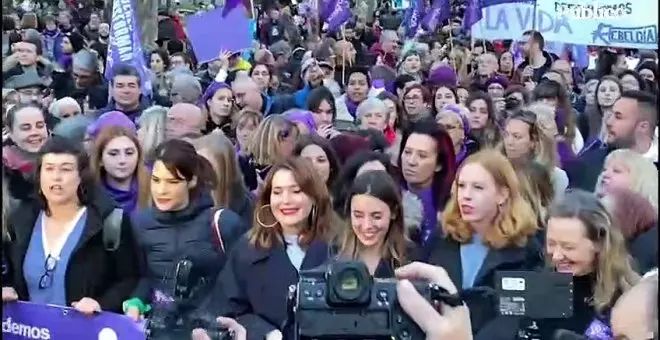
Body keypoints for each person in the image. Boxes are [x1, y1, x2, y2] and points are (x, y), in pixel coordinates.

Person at [2, 136, 140, 313]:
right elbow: (9, 271)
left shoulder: (109, 220)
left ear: (81, 176)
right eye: (49, 169)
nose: (56, 177)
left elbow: (130, 279)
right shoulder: (21, 218)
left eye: (66, 169)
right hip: (31, 330)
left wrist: (102, 304)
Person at [426, 149, 542, 338]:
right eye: (461, 186)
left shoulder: (526, 248)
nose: (466, 195)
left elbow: (516, 317)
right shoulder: (443, 235)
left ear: (502, 195)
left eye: (478, 188)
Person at [213, 158, 334, 340]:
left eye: (296, 191)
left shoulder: (339, 247)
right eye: (277, 192)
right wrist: (265, 333)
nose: (286, 200)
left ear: (314, 197)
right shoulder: (247, 250)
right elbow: (228, 311)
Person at [124, 139, 245, 321]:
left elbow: (242, 282)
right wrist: (135, 301)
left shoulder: (223, 223)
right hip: (158, 327)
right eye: (156, 180)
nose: (161, 190)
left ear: (192, 181)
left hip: (211, 328)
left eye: (172, 182)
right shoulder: (139, 223)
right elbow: (141, 277)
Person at [537, 189, 640, 338]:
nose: (557, 256)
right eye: (551, 244)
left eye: (568, 247)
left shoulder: (629, 295)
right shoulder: (538, 284)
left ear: (599, 243)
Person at [338, 170, 412, 277]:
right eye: (358, 215)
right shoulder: (331, 252)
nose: (367, 225)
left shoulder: (410, 258)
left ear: (394, 213)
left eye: (376, 216)